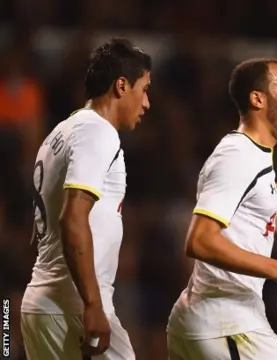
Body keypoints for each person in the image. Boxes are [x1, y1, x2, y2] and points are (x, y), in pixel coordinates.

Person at [166, 58, 277, 360]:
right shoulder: (236, 155)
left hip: (218, 317)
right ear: (258, 98)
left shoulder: (254, 154)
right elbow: (199, 240)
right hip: (225, 320)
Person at [20, 38, 151, 359]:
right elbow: (72, 216)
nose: (147, 102)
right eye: (145, 89)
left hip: (44, 303)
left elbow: (40, 230)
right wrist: (92, 304)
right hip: (74, 306)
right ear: (122, 86)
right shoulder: (98, 133)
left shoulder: (59, 133)